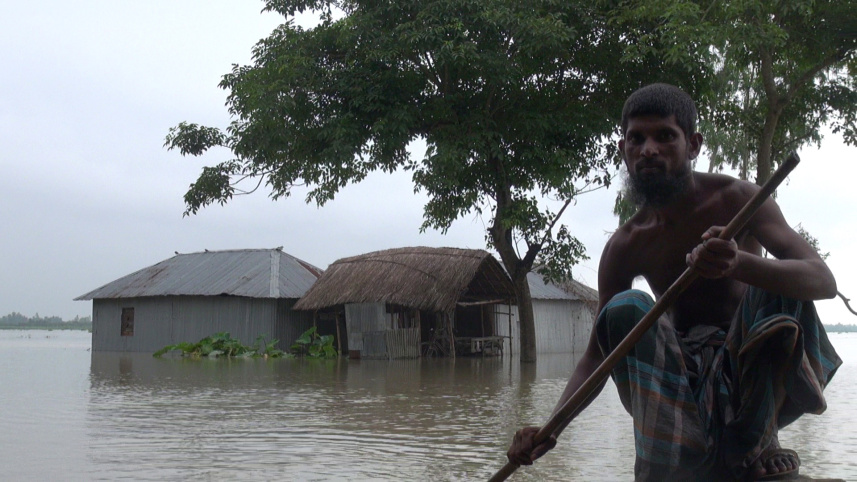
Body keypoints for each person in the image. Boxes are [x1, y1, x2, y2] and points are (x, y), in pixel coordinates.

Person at [506, 83, 841, 481]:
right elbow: (598, 354)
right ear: (623, 151)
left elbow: (822, 280)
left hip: (748, 384)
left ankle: (756, 440)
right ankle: (670, 459)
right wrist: (551, 429)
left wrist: (740, 265)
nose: (648, 149)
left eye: (664, 136)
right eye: (637, 139)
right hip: (680, 395)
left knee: (781, 285)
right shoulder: (625, 244)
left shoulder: (738, 198)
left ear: (693, 144)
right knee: (624, 308)